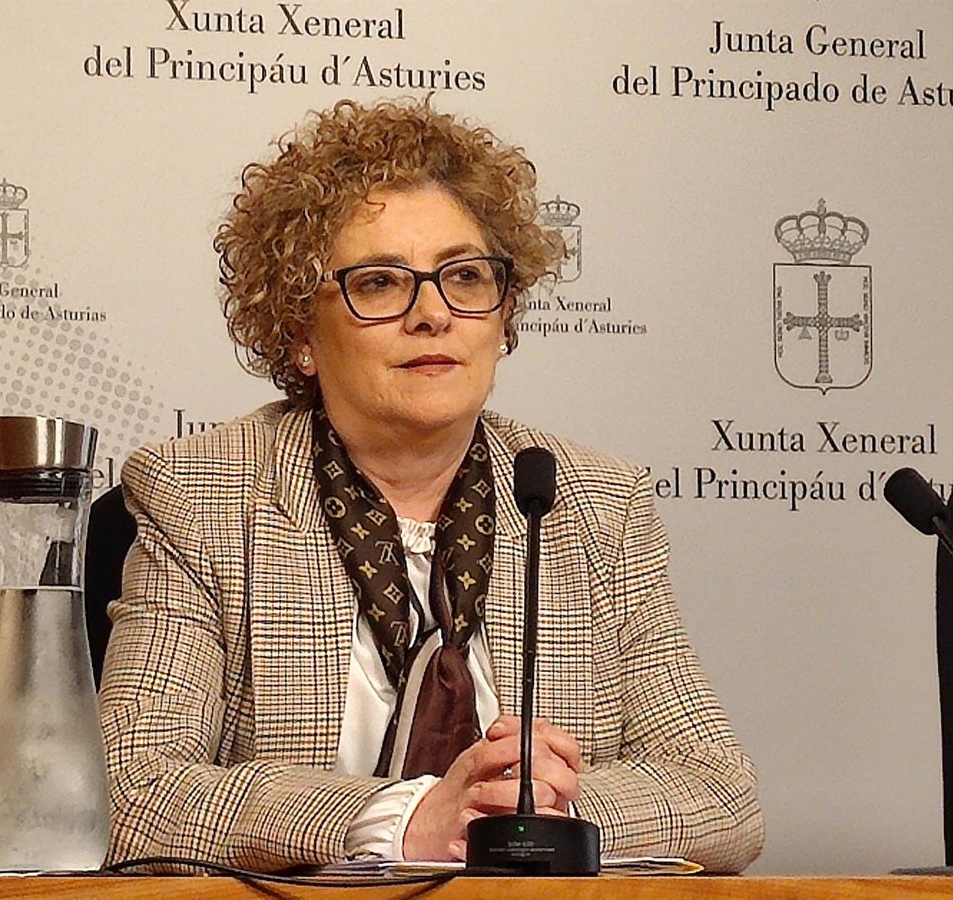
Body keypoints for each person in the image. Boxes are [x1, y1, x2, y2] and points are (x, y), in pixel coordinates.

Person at [99, 96, 764, 873]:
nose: (432, 313)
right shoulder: (202, 495)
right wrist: (405, 818)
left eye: (465, 276)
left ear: (502, 316)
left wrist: (531, 812)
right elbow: (132, 793)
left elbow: (723, 796)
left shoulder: (596, 504)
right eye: (381, 283)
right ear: (300, 332)